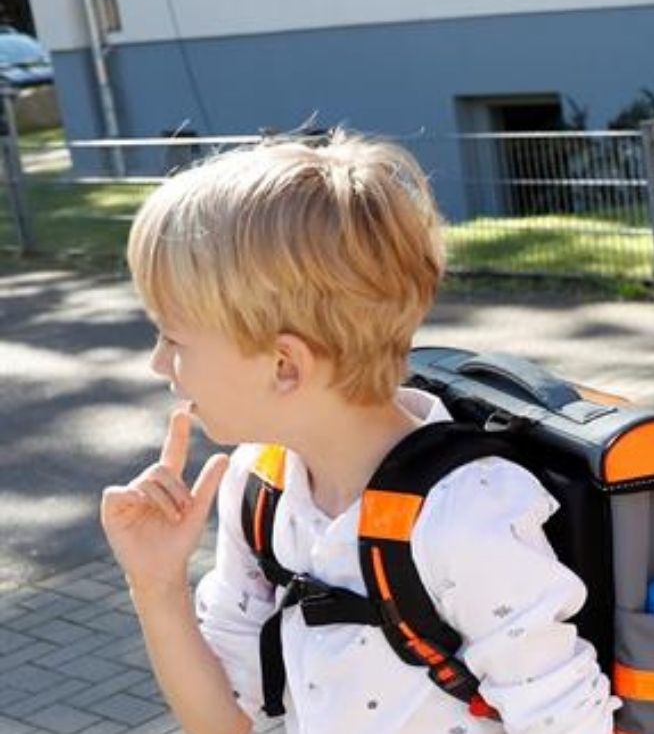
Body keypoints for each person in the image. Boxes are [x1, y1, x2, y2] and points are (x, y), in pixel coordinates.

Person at [100, 135, 615, 733]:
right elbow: (225, 723)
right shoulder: (261, 487)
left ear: (285, 366)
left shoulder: (464, 515)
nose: (159, 364)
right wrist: (156, 583)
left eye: (175, 340)